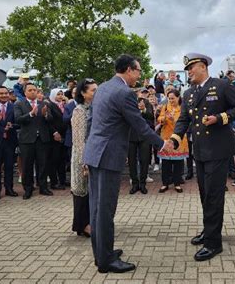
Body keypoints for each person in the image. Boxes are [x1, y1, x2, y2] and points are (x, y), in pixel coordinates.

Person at [83, 54, 170, 273]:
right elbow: (140, 126)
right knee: (105, 210)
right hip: (108, 156)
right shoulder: (124, 93)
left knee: (96, 207)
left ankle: (102, 252)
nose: (139, 75)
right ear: (129, 70)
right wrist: (162, 144)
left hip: (96, 153)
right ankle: (105, 261)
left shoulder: (102, 87)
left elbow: (92, 122)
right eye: (138, 71)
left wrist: (88, 151)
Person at [169, 53, 235, 262]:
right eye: (187, 69)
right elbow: (184, 119)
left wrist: (221, 118)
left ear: (203, 66)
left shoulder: (221, 85)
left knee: (214, 195)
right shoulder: (189, 93)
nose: (189, 72)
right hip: (201, 150)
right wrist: (175, 139)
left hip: (219, 150)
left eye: (191, 68)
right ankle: (209, 231)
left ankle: (213, 243)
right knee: (205, 194)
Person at [14, 82, 54, 199]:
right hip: (27, 139)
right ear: (25, 92)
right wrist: (30, 114)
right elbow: (18, 119)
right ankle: (28, 189)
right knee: (27, 165)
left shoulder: (43, 104)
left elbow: (50, 119)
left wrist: (46, 115)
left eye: (34, 90)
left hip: (42, 139)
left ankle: (43, 187)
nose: (33, 92)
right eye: (30, 90)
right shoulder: (19, 104)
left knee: (43, 164)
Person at [71, 79, 97, 238]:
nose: (96, 92)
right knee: (81, 191)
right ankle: (82, 225)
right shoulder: (79, 111)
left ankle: (88, 223)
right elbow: (80, 140)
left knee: (91, 191)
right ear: (83, 93)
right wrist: (84, 162)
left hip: (93, 154)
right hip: (83, 157)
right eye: (93, 90)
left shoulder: (94, 108)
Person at [157, 89, 188, 193]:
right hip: (166, 138)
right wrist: (165, 118)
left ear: (178, 97)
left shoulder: (183, 108)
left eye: (172, 98)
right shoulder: (165, 107)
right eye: (169, 98)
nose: (170, 100)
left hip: (178, 139)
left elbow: (184, 124)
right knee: (165, 163)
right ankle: (165, 183)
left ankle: (177, 183)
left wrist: (173, 119)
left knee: (178, 162)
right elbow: (159, 119)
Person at [128, 97, 155, 195]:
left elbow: (151, 118)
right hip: (131, 137)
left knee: (144, 160)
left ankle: (143, 183)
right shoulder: (128, 105)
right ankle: (135, 183)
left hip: (144, 137)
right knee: (132, 161)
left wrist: (143, 110)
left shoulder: (148, 104)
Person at [47, 89, 68, 190]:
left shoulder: (64, 105)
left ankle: (62, 180)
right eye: (58, 94)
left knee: (62, 160)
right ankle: (54, 182)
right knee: (54, 160)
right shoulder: (50, 105)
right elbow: (49, 121)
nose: (60, 96)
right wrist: (55, 132)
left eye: (61, 94)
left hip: (64, 135)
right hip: (54, 136)